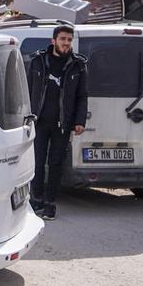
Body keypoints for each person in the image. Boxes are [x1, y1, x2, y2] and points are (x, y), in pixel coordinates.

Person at [26, 24, 88, 220]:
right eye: (63, 39)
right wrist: (25, 116)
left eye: (69, 40)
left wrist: (79, 121)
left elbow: (82, 96)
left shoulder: (78, 65)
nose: (66, 43)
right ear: (53, 41)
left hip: (63, 124)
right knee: (36, 162)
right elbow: (27, 91)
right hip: (39, 121)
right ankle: (36, 200)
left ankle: (50, 204)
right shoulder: (38, 61)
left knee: (55, 164)